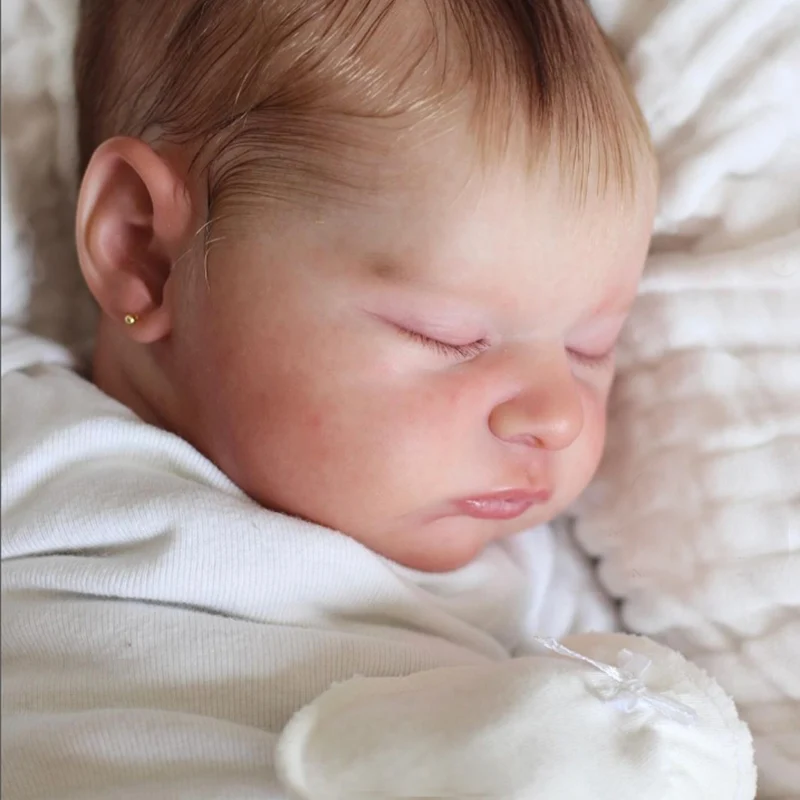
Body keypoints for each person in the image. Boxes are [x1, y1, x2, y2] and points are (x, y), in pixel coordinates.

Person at [2, 1, 658, 796]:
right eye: (447, 335)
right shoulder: (35, 443)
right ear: (144, 250)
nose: (558, 415)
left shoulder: (540, 590)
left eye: (592, 346)